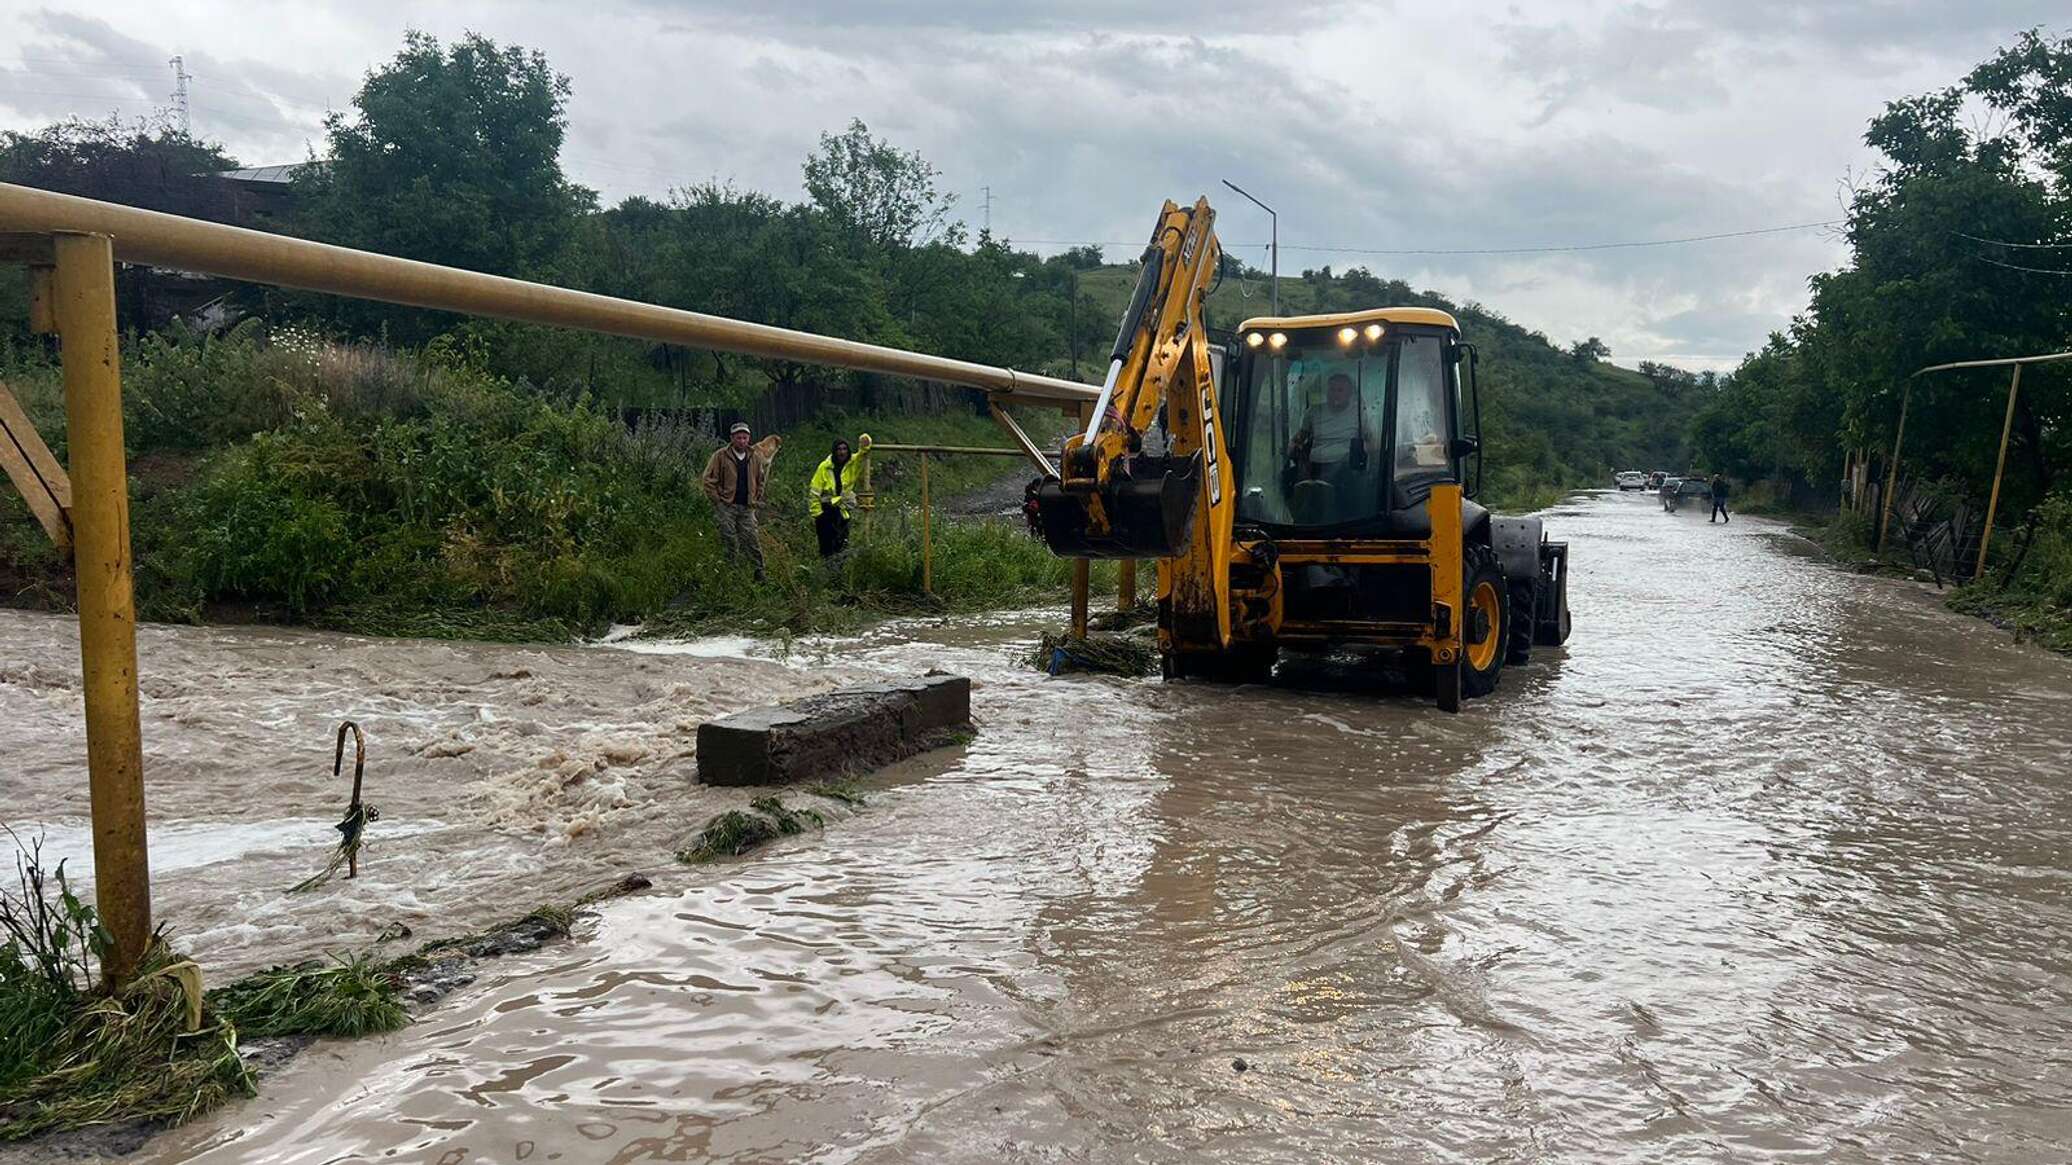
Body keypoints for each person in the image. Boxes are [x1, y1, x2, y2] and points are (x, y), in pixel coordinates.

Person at [702, 422, 782, 579]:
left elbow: (761, 479)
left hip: (747, 507)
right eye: (738, 438)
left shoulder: (754, 457)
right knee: (729, 539)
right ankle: (731, 573)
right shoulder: (720, 456)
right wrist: (717, 501)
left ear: (749, 438)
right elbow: (708, 480)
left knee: (752, 539)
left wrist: (756, 497)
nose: (742, 441)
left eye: (745, 438)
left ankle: (759, 572)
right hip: (727, 506)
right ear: (732, 438)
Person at [1289, 372, 1371, 483]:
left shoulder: (1359, 412)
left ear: (1349, 394)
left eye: (1340, 390)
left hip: (1347, 467)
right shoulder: (1314, 411)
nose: (1335, 394)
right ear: (1327, 392)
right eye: (1332, 390)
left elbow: (1369, 438)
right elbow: (1301, 436)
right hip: (1316, 466)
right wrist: (1293, 445)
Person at [809, 433, 872, 559]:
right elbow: (814, 492)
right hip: (826, 510)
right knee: (826, 547)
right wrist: (817, 514)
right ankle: (828, 573)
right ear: (834, 451)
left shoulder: (851, 463)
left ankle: (839, 574)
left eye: (844, 449)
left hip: (842, 510)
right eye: (839, 449)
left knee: (842, 545)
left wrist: (865, 440)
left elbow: (863, 453)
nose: (842, 452)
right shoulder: (824, 467)